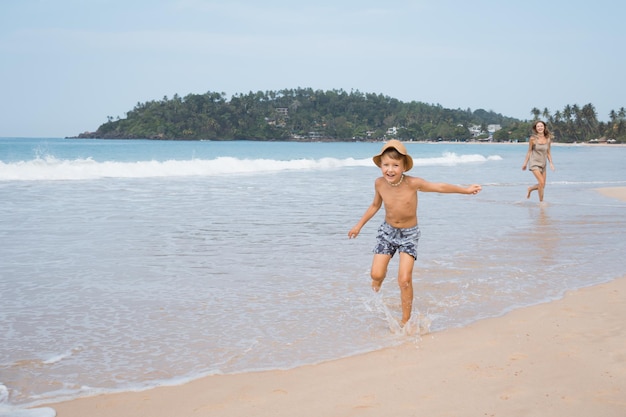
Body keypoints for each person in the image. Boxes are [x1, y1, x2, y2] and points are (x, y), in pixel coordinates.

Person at [348, 140, 481, 328]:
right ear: (380, 166)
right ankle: (379, 280)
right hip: (387, 232)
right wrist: (358, 225)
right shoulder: (379, 183)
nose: (390, 170)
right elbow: (375, 205)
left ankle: (405, 320)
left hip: (409, 235)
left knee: (404, 279)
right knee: (376, 274)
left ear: (404, 167)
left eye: (395, 165)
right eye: (386, 165)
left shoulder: (413, 183)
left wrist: (465, 190)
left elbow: (440, 187)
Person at [522, 120, 555, 202]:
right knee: (541, 182)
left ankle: (531, 190)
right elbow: (529, 151)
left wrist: (551, 163)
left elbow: (548, 152)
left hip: (543, 163)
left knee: (543, 185)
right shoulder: (533, 139)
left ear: (544, 127)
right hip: (534, 163)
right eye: (538, 126)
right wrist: (525, 163)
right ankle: (541, 202)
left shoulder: (548, 139)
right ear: (536, 129)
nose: (540, 128)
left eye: (541, 126)